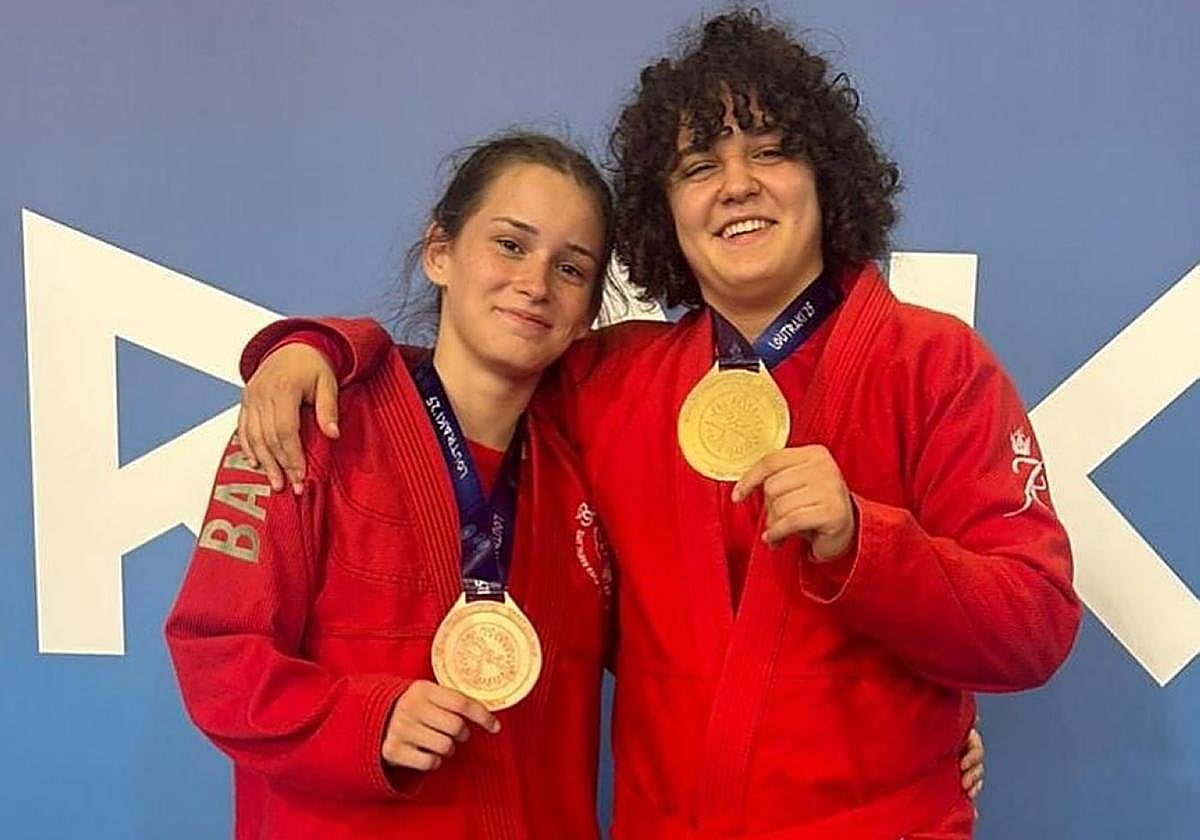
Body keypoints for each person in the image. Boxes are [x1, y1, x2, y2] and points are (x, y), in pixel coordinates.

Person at [236, 11, 1052, 837]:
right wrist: (322, 347)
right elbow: (470, 367)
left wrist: (863, 543)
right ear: (664, 212)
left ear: (826, 177)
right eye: (699, 166)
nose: (737, 184)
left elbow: (1033, 625)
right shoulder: (610, 380)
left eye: (771, 151)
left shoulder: (935, 364)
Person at [165, 132, 621, 839]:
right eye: (510, 244)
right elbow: (217, 652)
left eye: (570, 268)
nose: (535, 283)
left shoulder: (581, 473)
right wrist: (365, 722)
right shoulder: (315, 421)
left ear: (588, 311)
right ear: (440, 251)